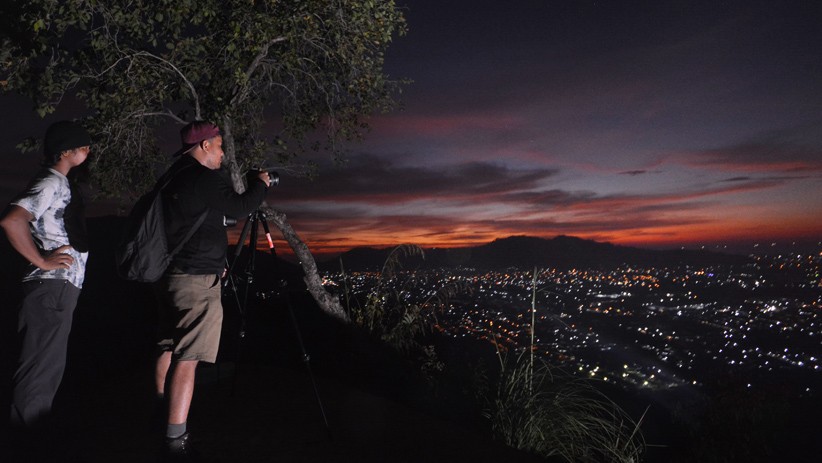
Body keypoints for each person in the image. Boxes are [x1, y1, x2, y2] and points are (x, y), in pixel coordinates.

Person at [152, 121, 270, 461]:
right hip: (195, 281)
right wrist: (260, 185)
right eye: (219, 146)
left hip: (169, 275)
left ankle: (161, 411)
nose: (221, 153)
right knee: (188, 359)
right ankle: (176, 439)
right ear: (204, 146)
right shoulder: (203, 178)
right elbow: (238, 207)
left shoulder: (175, 176)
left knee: (167, 345)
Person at [1, 120, 92, 431]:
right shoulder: (51, 181)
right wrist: (41, 259)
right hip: (50, 288)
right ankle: (25, 444)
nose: (87, 151)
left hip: (57, 290)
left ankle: (29, 440)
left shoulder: (60, 182)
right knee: (40, 371)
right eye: (82, 146)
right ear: (65, 151)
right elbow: (13, 220)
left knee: (46, 369)